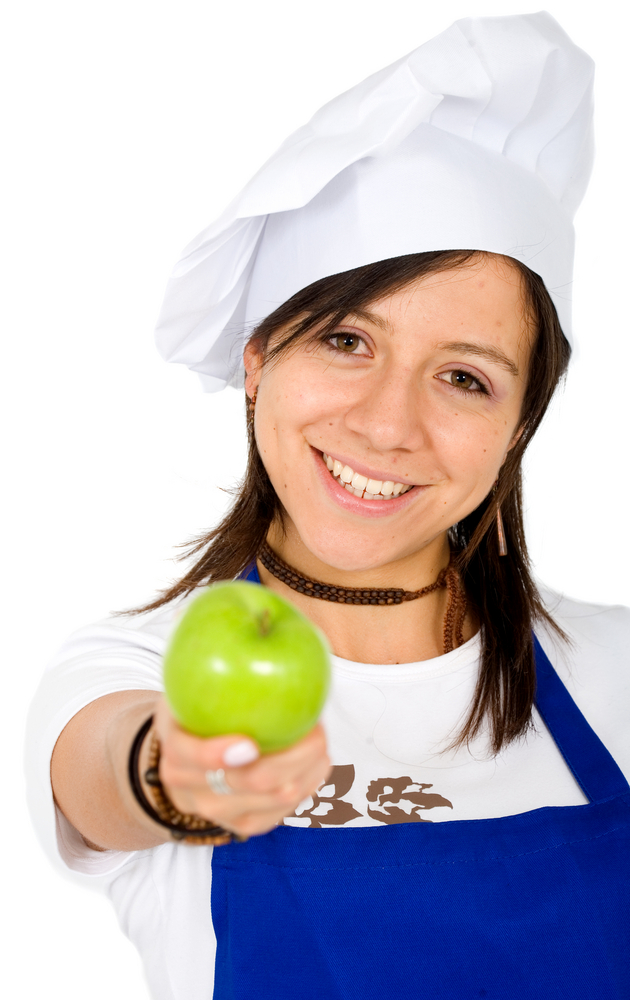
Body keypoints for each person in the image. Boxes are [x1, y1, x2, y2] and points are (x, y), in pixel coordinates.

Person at [26, 12, 630, 999]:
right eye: (347, 340)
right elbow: (103, 767)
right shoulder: (143, 665)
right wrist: (176, 773)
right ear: (260, 357)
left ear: (520, 422)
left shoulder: (617, 671)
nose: (389, 423)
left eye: (466, 378)